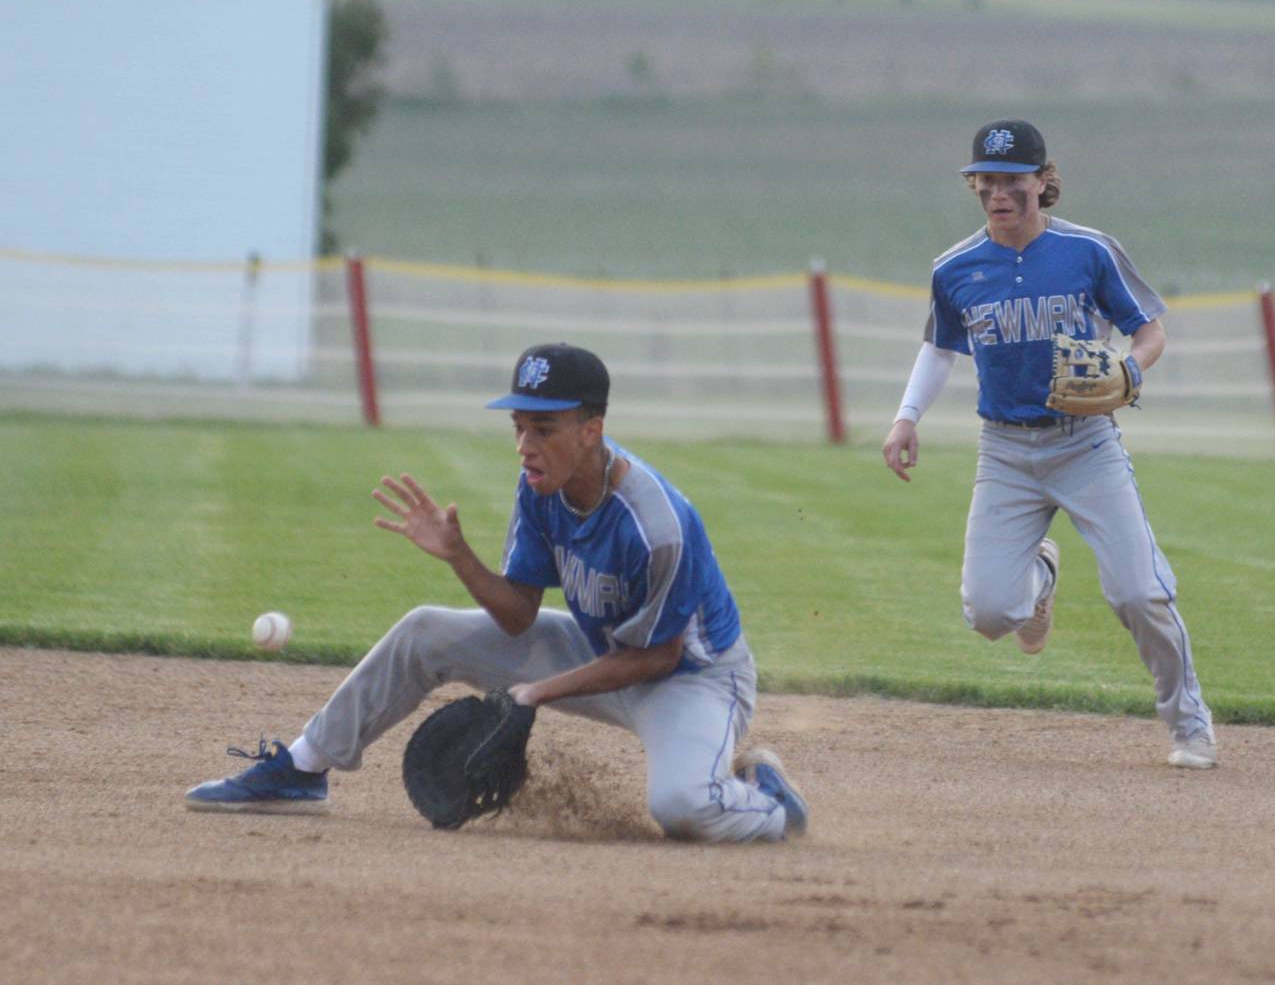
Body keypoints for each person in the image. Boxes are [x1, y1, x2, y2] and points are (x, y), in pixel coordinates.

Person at [187, 343, 809, 840]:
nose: (525, 446)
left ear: (591, 430)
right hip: (603, 655)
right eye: (519, 427)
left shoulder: (657, 525)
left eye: (544, 428)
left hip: (693, 680)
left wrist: (536, 693)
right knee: (426, 630)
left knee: (683, 807)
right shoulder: (539, 486)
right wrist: (459, 556)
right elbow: (517, 616)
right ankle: (301, 768)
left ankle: (772, 801)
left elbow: (657, 657)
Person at [881, 118, 1217, 769]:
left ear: (1042, 180)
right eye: (985, 178)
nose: (995, 191)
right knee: (988, 611)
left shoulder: (1088, 251)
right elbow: (940, 347)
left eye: (1011, 179)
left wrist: (1131, 369)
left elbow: (1148, 330)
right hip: (1005, 451)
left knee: (1139, 592)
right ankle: (1041, 579)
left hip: (1085, 443)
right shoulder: (955, 268)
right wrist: (905, 417)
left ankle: (1189, 722)